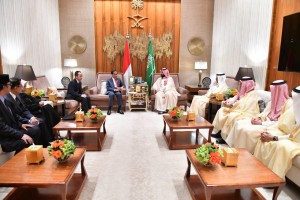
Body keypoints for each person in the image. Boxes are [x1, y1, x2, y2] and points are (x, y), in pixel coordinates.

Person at [225, 80, 291, 153]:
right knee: (238, 123)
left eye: (273, 91)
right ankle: (233, 149)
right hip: (263, 121)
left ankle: (245, 154)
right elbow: (265, 112)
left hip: (270, 125)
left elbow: (279, 123)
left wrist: (261, 123)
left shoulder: (288, 105)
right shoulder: (272, 102)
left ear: (279, 91)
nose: (271, 92)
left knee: (247, 131)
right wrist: (257, 118)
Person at [253, 86, 300, 179]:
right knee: (265, 135)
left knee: (282, 147)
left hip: (296, 143)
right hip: (293, 139)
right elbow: (292, 134)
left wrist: (274, 138)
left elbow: (294, 137)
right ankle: (258, 168)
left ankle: (274, 179)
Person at [5, 77, 58, 146]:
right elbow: (14, 115)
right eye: (21, 86)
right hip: (19, 121)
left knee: (41, 120)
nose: (22, 87)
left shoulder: (17, 95)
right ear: (15, 87)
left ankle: (47, 142)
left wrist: (31, 117)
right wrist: (28, 121)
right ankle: (43, 145)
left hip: (24, 118)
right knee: (38, 124)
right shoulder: (7, 99)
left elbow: (25, 109)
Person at [212, 77, 260, 144]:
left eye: (242, 84)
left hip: (247, 113)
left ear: (246, 85)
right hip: (237, 109)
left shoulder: (252, 94)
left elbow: (247, 107)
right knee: (221, 110)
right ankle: (220, 132)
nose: (240, 85)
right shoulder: (242, 92)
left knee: (232, 116)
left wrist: (233, 106)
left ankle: (226, 138)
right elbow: (235, 99)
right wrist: (228, 102)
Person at [0, 74, 40, 153]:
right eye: (9, 84)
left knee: (35, 129)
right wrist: (21, 135)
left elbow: (12, 116)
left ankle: (34, 155)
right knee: (27, 140)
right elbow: (1, 127)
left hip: (13, 129)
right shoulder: (4, 99)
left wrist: (21, 124)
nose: (10, 86)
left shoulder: (3, 99)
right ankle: (19, 162)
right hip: (5, 137)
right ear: (3, 86)